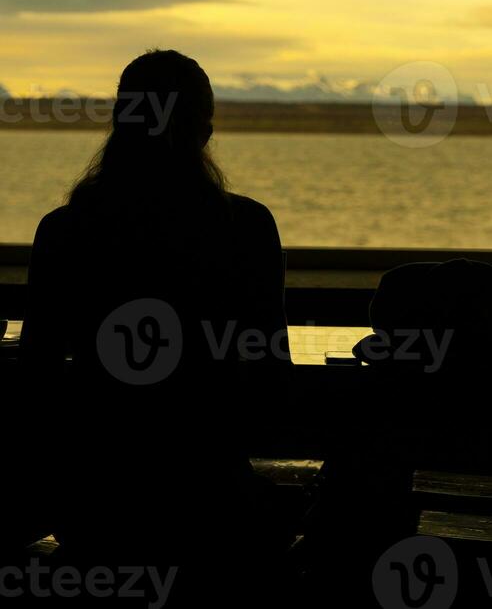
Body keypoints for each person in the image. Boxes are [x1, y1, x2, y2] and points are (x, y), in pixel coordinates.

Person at [18, 49, 292, 596]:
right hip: (209, 495)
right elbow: (270, 378)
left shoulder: (64, 231)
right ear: (206, 130)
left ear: (119, 123)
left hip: (96, 503)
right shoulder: (248, 228)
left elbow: (37, 373)